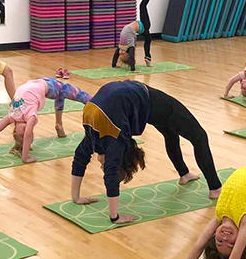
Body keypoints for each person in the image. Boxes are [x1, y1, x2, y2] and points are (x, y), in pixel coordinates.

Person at [70, 81, 223, 223]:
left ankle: (192, 177)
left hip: (146, 101)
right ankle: (212, 188)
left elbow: (103, 168)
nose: (102, 166)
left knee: (194, 135)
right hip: (119, 105)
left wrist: (112, 215)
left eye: (104, 165)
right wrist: (113, 216)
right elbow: (84, 159)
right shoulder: (105, 138)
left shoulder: (107, 138)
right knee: (178, 132)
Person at [0, 77, 93, 162]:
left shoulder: (12, 116)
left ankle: (60, 124)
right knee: (64, 93)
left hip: (41, 83)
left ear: (14, 130)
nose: (26, 131)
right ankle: (59, 125)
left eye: (21, 134)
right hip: (44, 85)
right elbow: (27, 134)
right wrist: (25, 156)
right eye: (29, 134)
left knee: (66, 94)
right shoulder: (29, 117)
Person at [112, 0, 153, 69]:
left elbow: (116, 54)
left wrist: (114, 64)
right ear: (126, 54)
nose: (120, 53)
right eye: (122, 54)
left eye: (120, 54)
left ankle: (148, 58)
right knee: (142, 5)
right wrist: (132, 67)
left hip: (141, 27)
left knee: (148, 39)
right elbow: (131, 51)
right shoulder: (128, 46)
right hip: (143, 25)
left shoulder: (122, 45)